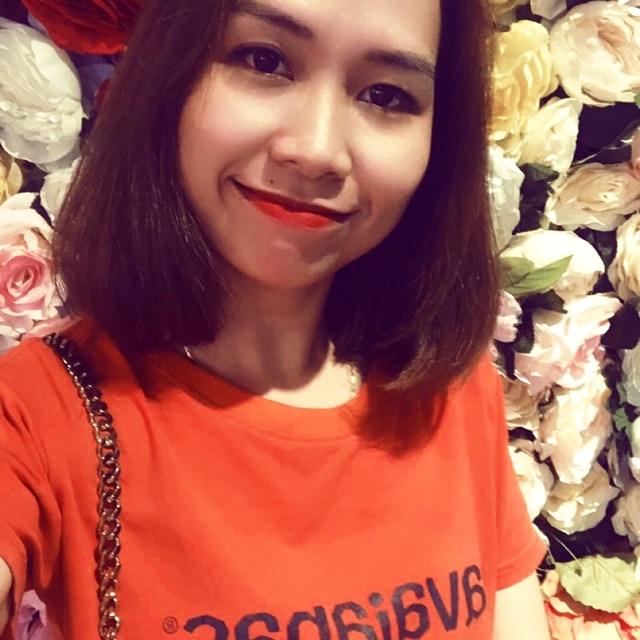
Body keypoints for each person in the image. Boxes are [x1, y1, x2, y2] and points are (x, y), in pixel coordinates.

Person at [0, 0, 551, 637]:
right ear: (169, 74)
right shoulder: (39, 413)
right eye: (264, 60)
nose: (316, 150)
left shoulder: (449, 389)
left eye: (386, 95)